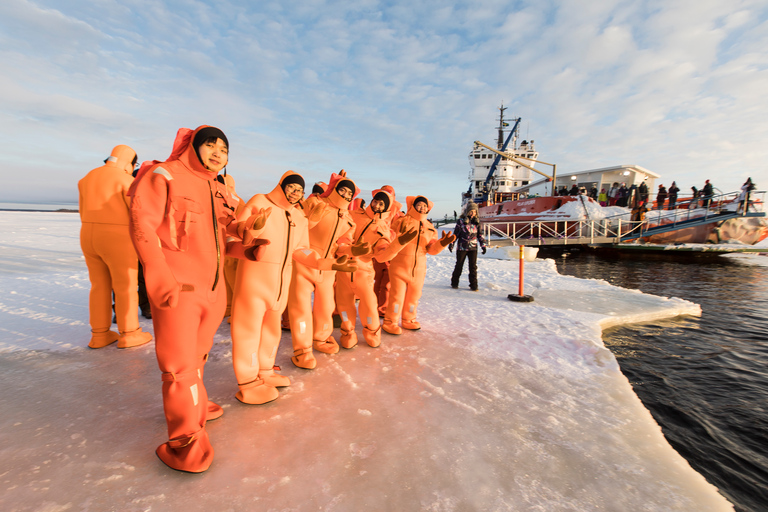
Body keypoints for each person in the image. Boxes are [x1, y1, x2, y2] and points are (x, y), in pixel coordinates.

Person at [129, 125, 261, 473]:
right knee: (179, 367)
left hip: (213, 292)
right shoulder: (164, 175)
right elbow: (142, 224)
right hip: (179, 289)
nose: (219, 153)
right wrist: (157, 273)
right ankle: (186, 442)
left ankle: (196, 405)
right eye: (211, 145)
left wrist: (245, 249)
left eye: (224, 149)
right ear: (194, 146)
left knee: (197, 358)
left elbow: (218, 239)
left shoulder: (216, 188)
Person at [231, 171, 357, 397]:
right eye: (291, 187)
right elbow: (238, 230)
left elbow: (302, 250)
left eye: (299, 190)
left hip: (280, 284)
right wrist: (252, 227)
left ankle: (266, 371)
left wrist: (328, 264)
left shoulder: (298, 216)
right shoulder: (260, 201)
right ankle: (248, 382)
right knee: (248, 331)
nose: (295, 193)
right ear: (281, 185)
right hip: (254, 279)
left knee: (272, 331)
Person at [287, 171, 368, 368]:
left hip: (329, 266)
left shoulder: (348, 218)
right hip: (304, 261)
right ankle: (302, 350)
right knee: (301, 308)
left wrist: (351, 249)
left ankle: (321, 338)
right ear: (335, 189)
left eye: (351, 193)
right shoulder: (315, 203)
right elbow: (298, 225)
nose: (347, 195)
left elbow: (342, 244)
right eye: (343, 190)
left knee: (325, 307)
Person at [78, 145, 152, 349]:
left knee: (99, 286)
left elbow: (81, 208)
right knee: (125, 286)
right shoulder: (126, 180)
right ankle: (130, 333)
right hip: (117, 237)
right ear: (129, 162)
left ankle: (99, 334)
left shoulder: (86, 178)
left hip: (87, 234)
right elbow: (138, 214)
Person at [335, 188, 403, 349]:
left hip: (363, 271)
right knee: (344, 304)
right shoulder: (354, 216)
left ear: (386, 207)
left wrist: (398, 245)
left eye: (381, 204)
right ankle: (348, 332)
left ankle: (372, 330)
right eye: (376, 201)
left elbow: (381, 256)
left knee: (369, 303)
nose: (377, 205)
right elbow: (340, 235)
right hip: (344, 269)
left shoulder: (384, 228)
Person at [382, 196, 455, 334]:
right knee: (396, 296)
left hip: (419, 268)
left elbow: (431, 249)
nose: (422, 208)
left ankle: (408, 320)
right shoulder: (402, 222)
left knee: (414, 296)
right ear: (413, 206)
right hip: (399, 266)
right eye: (419, 205)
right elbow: (390, 238)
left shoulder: (429, 227)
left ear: (428, 208)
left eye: (424, 206)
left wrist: (442, 243)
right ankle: (390, 321)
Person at [449, 202, 487, 291]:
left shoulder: (477, 222)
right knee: (459, 265)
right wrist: (451, 244)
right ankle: (454, 283)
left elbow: (480, 235)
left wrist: (483, 245)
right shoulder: (461, 221)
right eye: (471, 211)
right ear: (467, 211)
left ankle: (474, 286)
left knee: (473, 267)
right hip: (462, 247)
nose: (473, 213)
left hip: (473, 248)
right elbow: (456, 234)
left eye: (474, 212)